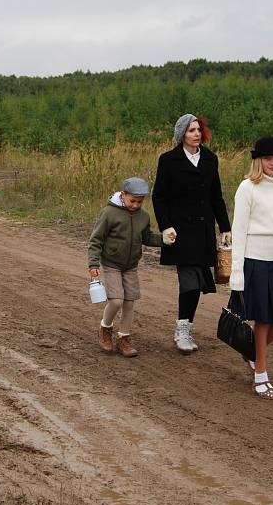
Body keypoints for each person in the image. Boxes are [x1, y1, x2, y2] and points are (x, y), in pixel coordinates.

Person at [152, 113, 231, 354]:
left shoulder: (210, 159)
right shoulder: (168, 160)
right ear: (181, 135)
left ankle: (185, 326)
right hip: (180, 232)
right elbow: (159, 197)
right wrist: (165, 226)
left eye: (198, 130)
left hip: (203, 229)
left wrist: (225, 227)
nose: (196, 134)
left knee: (197, 284)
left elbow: (216, 195)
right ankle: (182, 330)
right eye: (191, 130)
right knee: (190, 282)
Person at [230, 137, 273, 400]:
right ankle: (261, 375)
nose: (272, 163)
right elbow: (238, 232)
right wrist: (237, 276)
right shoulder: (247, 188)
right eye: (267, 158)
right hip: (255, 261)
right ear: (258, 161)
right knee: (263, 320)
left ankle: (252, 352)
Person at [88, 177, 175, 357]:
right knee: (116, 300)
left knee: (129, 302)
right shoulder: (109, 213)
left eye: (140, 202)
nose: (136, 205)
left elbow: (147, 238)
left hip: (131, 265)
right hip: (111, 263)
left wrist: (165, 239)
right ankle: (105, 328)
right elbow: (96, 240)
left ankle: (124, 339)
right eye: (132, 201)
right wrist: (93, 263)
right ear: (123, 195)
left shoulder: (143, 216)